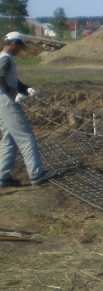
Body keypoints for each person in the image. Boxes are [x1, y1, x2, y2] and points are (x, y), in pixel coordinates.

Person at [0, 32, 59, 187]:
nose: (20, 50)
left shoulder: (3, 58)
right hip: (5, 101)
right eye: (19, 46)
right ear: (13, 43)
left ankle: (2, 176)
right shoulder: (5, 58)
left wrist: (25, 89)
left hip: (2, 101)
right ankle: (36, 173)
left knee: (9, 138)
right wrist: (14, 94)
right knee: (26, 137)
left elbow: (10, 79)